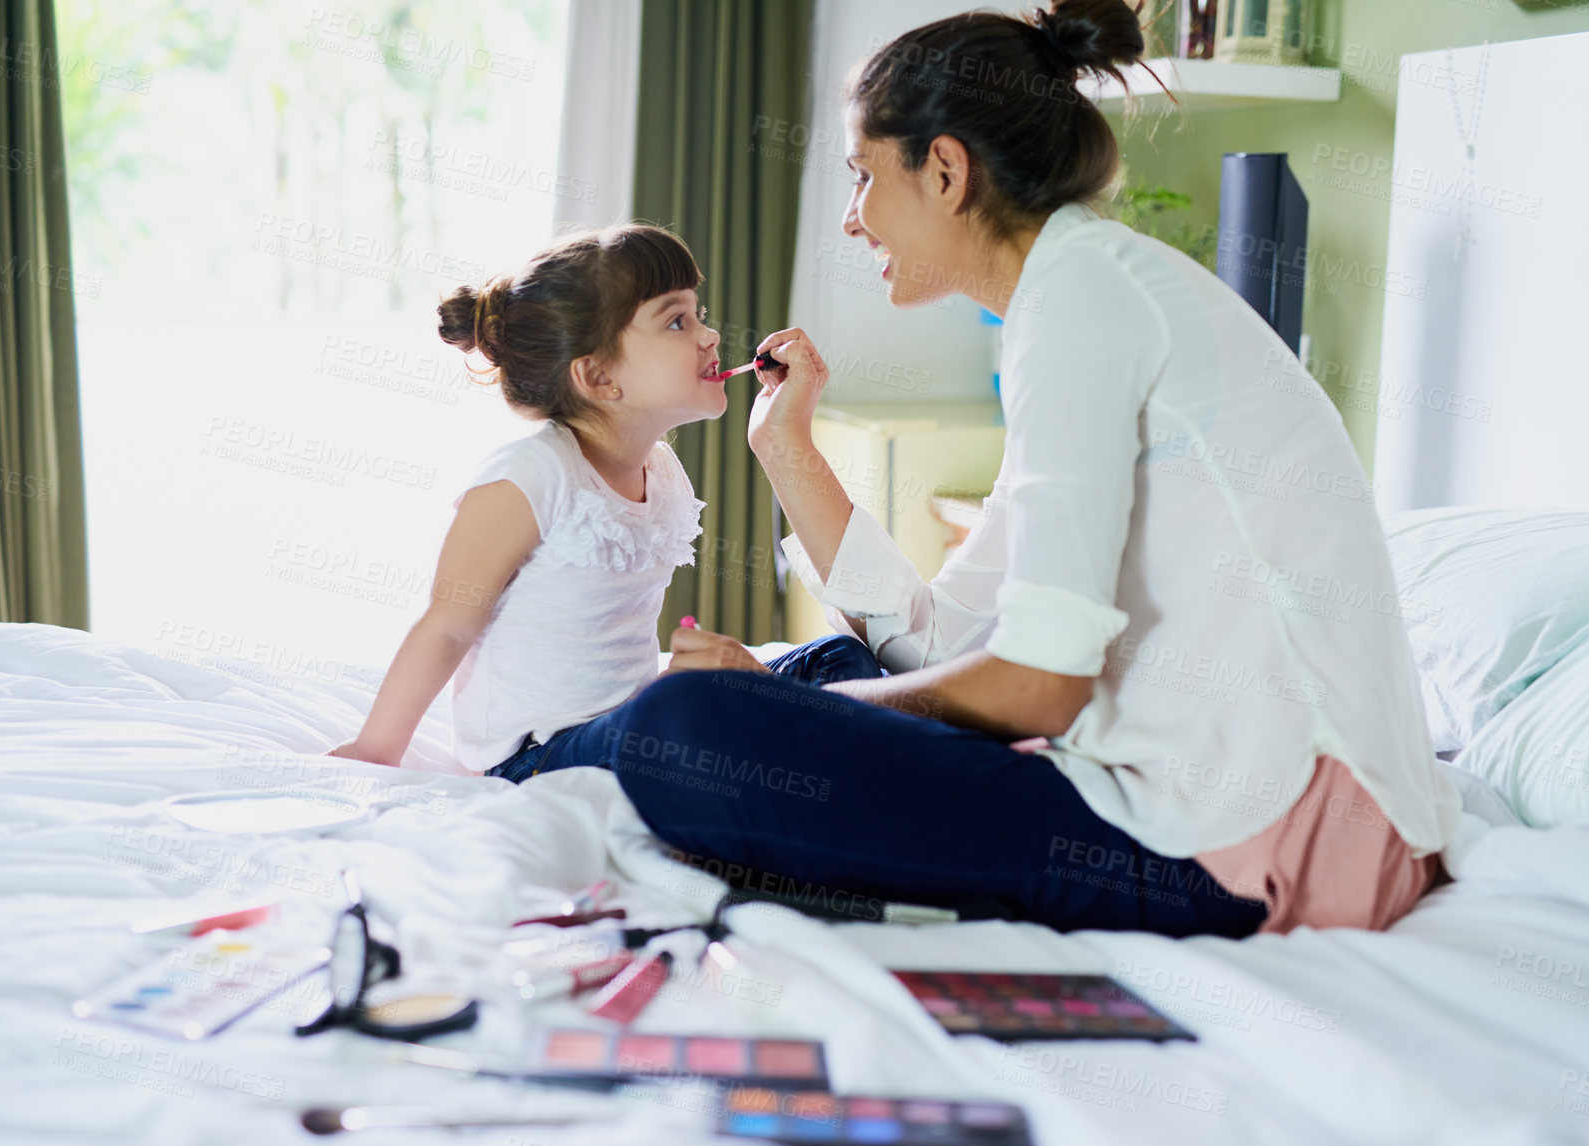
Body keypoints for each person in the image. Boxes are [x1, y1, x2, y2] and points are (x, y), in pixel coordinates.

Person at [536, 0, 1461, 937]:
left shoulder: (1084, 301)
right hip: (1233, 815)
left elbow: (1033, 687)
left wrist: (808, 707)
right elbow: (938, 642)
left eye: (861, 178)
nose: (853, 220)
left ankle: (546, 761)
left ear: (943, 170)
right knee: (800, 681)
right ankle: (611, 746)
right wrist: (787, 449)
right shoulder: (1082, 292)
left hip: (1268, 840)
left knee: (690, 728)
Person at [327, 225, 881, 779]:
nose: (710, 336)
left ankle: (813, 770)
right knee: (689, 704)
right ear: (597, 376)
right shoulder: (527, 477)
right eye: (676, 321)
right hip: (537, 758)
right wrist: (375, 751)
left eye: (698, 312)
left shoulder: (662, 470)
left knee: (845, 660)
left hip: (636, 724)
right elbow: (447, 625)